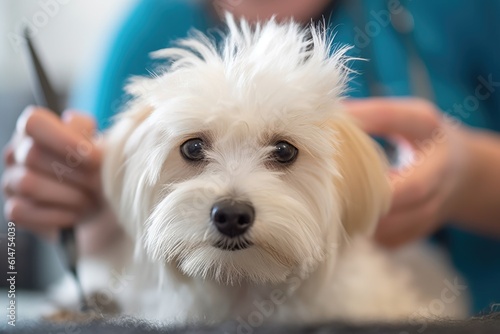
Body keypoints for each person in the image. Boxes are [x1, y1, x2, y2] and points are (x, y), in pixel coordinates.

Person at [3, 0, 500, 314]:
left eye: (282, 153)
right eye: (194, 149)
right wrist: (79, 198)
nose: (232, 199)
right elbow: (106, 230)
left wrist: (473, 175)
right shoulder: (144, 28)